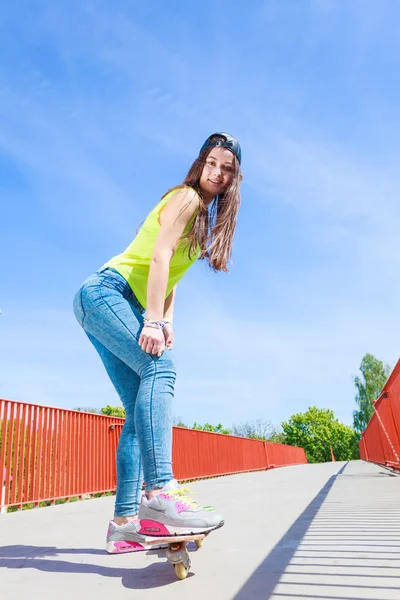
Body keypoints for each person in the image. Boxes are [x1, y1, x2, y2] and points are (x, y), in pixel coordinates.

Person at [73, 133, 243, 554]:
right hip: (108, 293)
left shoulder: (204, 219)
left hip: (118, 302)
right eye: (213, 163)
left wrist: (166, 321)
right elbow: (159, 257)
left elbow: (172, 278)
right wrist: (150, 319)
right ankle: (161, 493)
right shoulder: (185, 197)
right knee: (160, 369)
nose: (218, 173)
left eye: (228, 168)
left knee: (137, 411)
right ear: (201, 163)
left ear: (234, 179)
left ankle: (124, 523)